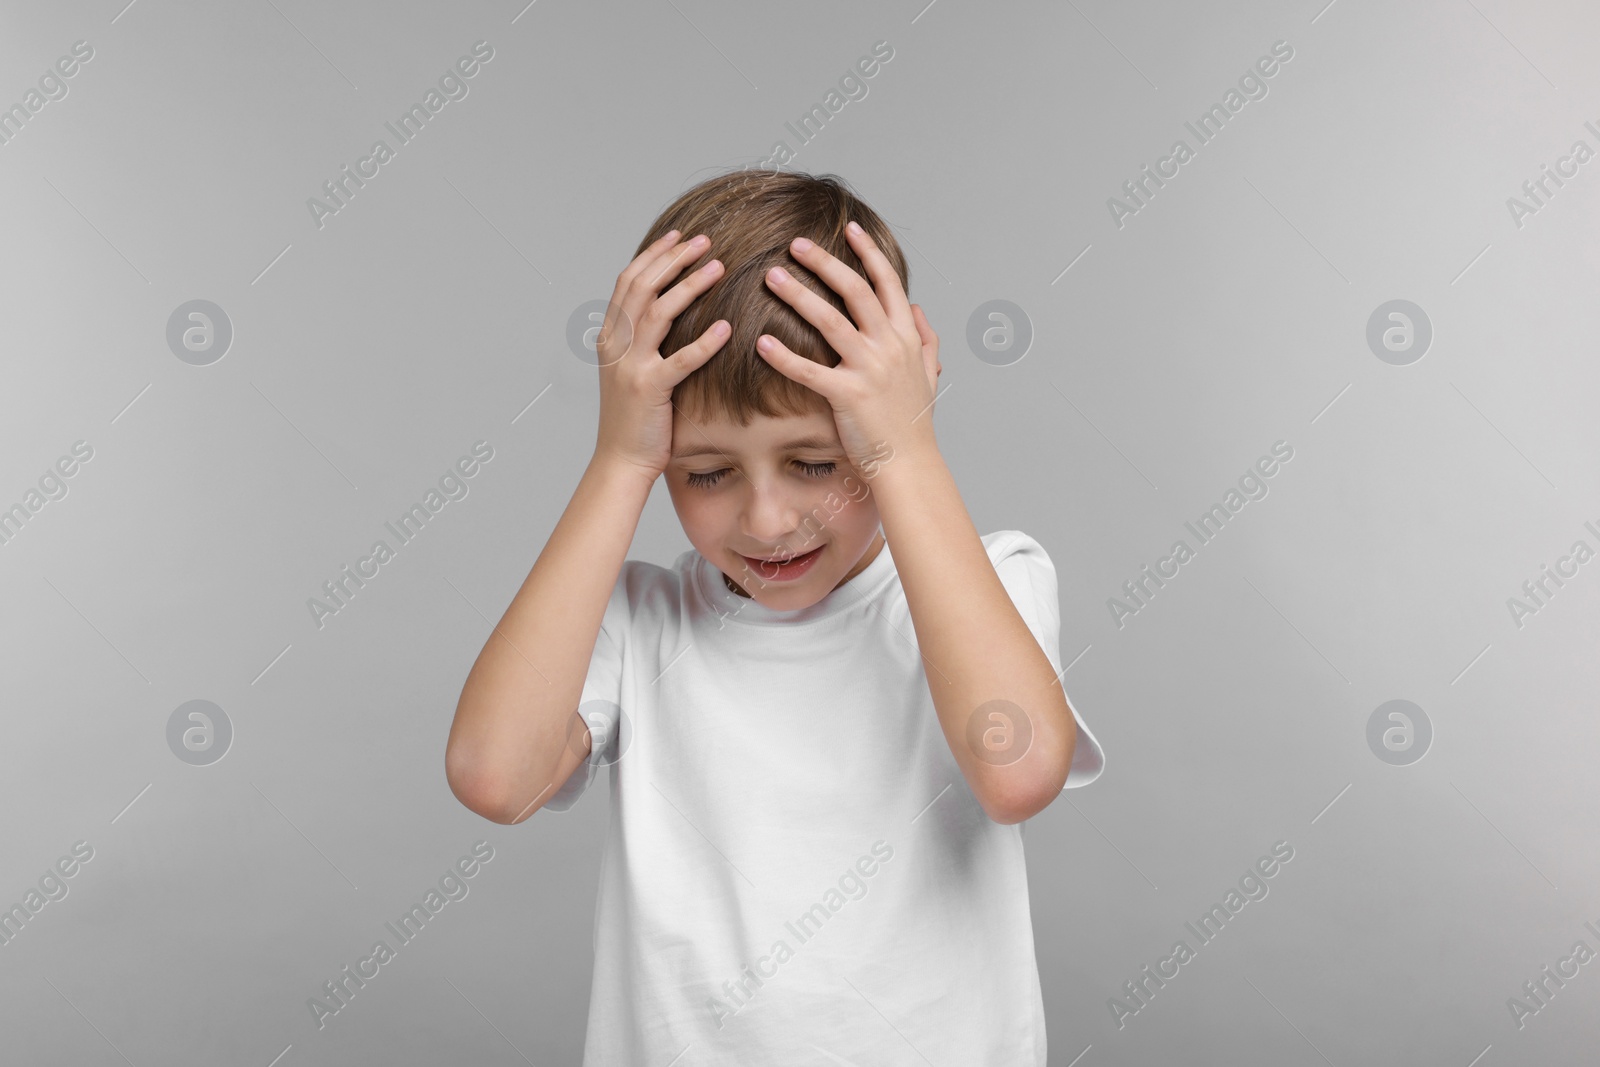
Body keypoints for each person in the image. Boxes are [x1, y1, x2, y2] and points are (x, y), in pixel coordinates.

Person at [444, 169, 1106, 1064]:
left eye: (816, 463)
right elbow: (494, 777)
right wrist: (616, 462)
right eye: (707, 473)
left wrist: (907, 450)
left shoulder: (992, 582)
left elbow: (1017, 771)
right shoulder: (643, 624)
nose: (765, 520)